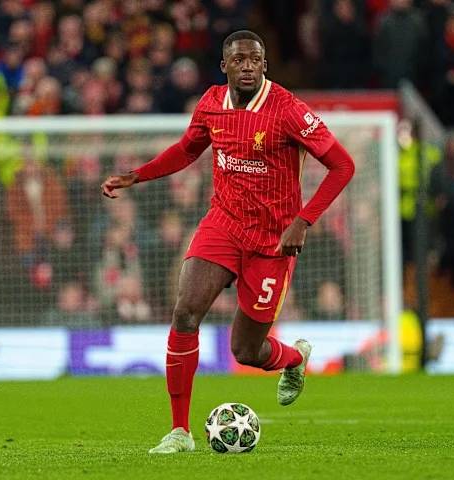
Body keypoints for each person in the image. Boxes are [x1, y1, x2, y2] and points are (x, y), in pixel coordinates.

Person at [101, 30, 355, 454]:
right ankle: (179, 432)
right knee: (185, 313)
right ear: (225, 66)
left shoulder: (288, 110)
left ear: (265, 65)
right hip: (224, 224)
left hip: (272, 241)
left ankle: (294, 359)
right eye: (239, 60)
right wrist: (137, 175)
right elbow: (187, 150)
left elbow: (342, 166)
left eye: (255, 60)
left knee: (246, 351)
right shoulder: (211, 104)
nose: (247, 67)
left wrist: (303, 222)